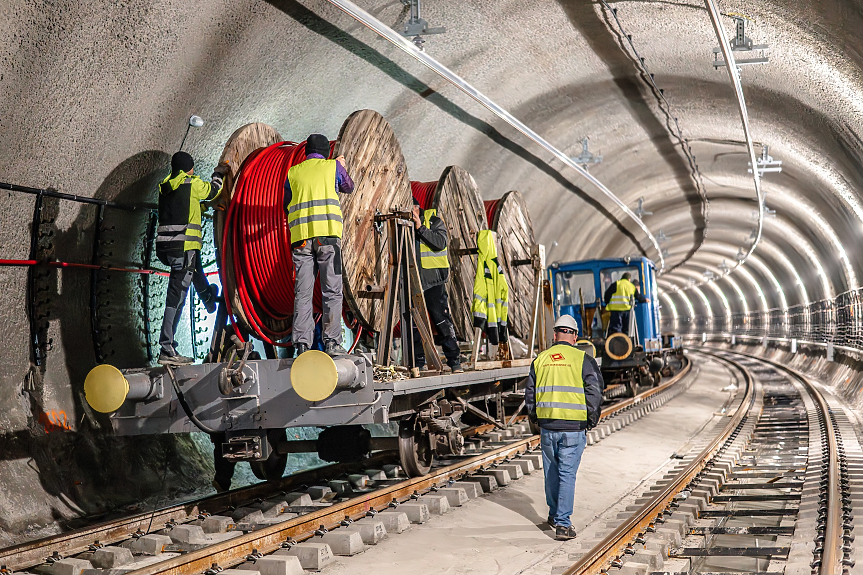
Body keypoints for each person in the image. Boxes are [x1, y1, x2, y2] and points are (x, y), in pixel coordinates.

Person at [525, 314, 603, 540]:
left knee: (551, 472)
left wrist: (537, 418)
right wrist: (590, 419)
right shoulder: (583, 359)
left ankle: (553, 514)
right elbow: (595, 392)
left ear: (555, 334)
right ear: (575, 336)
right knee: (567, 474)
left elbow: (530, 394)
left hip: (548, 427)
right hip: (573, 427)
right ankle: (563, 524)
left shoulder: (540, 360)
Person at [284, 134, 354, 357]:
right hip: (328, 240)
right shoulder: (332, 167)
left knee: (302, 293)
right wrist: (341, 166)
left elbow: (287, 203)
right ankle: (332, 343)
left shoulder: (293, 173)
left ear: (306, 152)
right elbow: (348, 187)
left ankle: (302, 345)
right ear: (326, 152)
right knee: (332, 291)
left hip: (302, 240)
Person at [156, 151, 224, 366]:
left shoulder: (166, 185)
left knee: (195, 273)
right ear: (189, 168)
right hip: (185, 247)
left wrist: (206, 207)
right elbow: (213, 190)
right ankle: (167, 348)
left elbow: (185, 208)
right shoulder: (192, 183)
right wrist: (219, 174)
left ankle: (209, 300)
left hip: (168, 248)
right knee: (176, 297)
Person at [410, 197, 463, 373]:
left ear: (417, 208)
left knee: (441, 321)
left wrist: (421, 228)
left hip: (433, 282)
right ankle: (418, 363)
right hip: (412, 281)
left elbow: (440, 243)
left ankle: (454, 361)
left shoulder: (433, 221)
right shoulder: (403, 226)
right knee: (414, 324)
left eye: (411, 209)